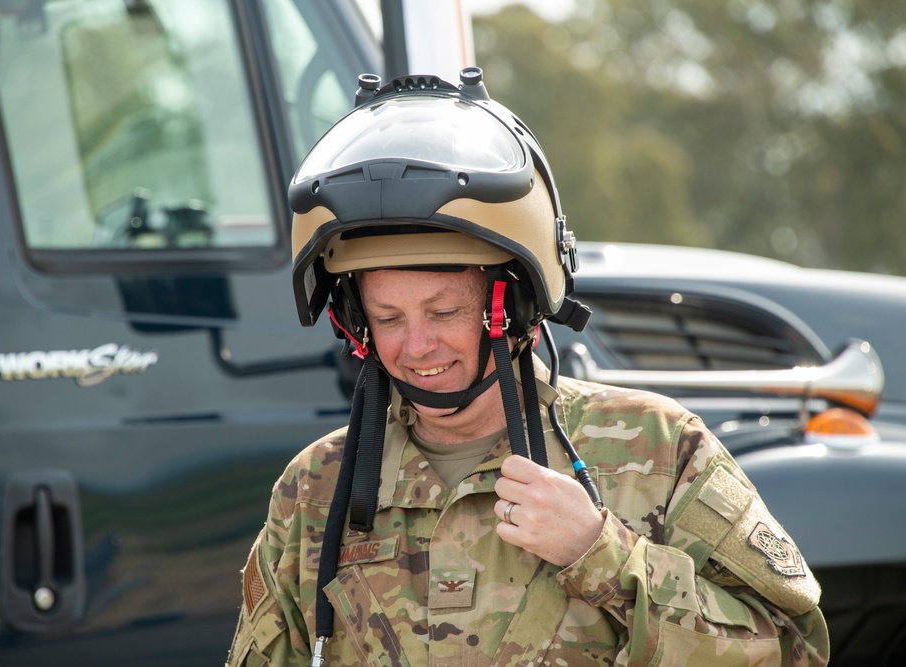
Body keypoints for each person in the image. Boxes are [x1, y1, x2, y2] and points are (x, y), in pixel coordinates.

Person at [226, 68, 829, 666]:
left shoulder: (658, 449)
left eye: (443, 312)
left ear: (512, 307)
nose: (416, 347)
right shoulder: (317, 488)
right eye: (388, 318)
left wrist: (602, 553)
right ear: (355, 322)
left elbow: (791, 650)